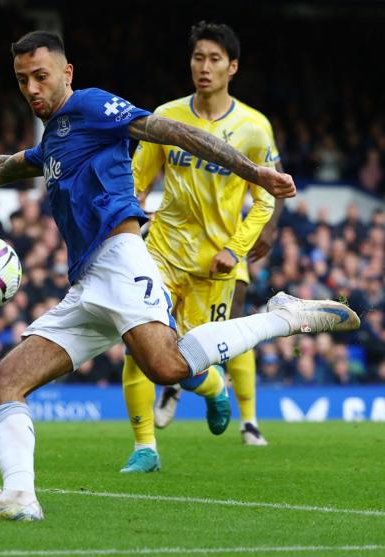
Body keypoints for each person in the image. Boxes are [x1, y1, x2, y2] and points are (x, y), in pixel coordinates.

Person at [0, 31, 358, 522]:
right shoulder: (56, 136)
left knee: (167, 367)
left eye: (41, 76)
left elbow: (173, 132)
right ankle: (19, 497)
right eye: (22, 80)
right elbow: (7, 167)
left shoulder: (94, 107)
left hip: (121, 258)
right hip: (88, 283)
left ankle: (284, 317)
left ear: (67, 73)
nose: (32, 88)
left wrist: (252, 172)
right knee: (3, 384)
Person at [122, 21, 286, 473]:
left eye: (215, 59)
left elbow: (264, 201)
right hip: (162, 252)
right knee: (138, 344)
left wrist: (234, 250)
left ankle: (215, 389)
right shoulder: (166, 116)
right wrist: (129, 227)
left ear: (232, 67)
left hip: (215, 264)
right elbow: (135, 182)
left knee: (187, 357)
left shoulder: (254, 128)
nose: (205, 67)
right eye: (198, 58)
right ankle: (145, 448)